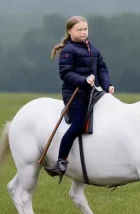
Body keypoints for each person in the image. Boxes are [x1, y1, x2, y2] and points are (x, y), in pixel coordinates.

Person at [44, 16, 114, 179]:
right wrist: (83, 80)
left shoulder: (92, 48)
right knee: (78, 124)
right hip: (75, 95)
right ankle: (61, 160)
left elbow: (102, 68)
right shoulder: (68, 50)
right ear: (70, 31)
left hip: (93, 93)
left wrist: (107, 85)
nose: (83, 33)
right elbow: (65, 73)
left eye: (85, 29)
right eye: (79, 30)